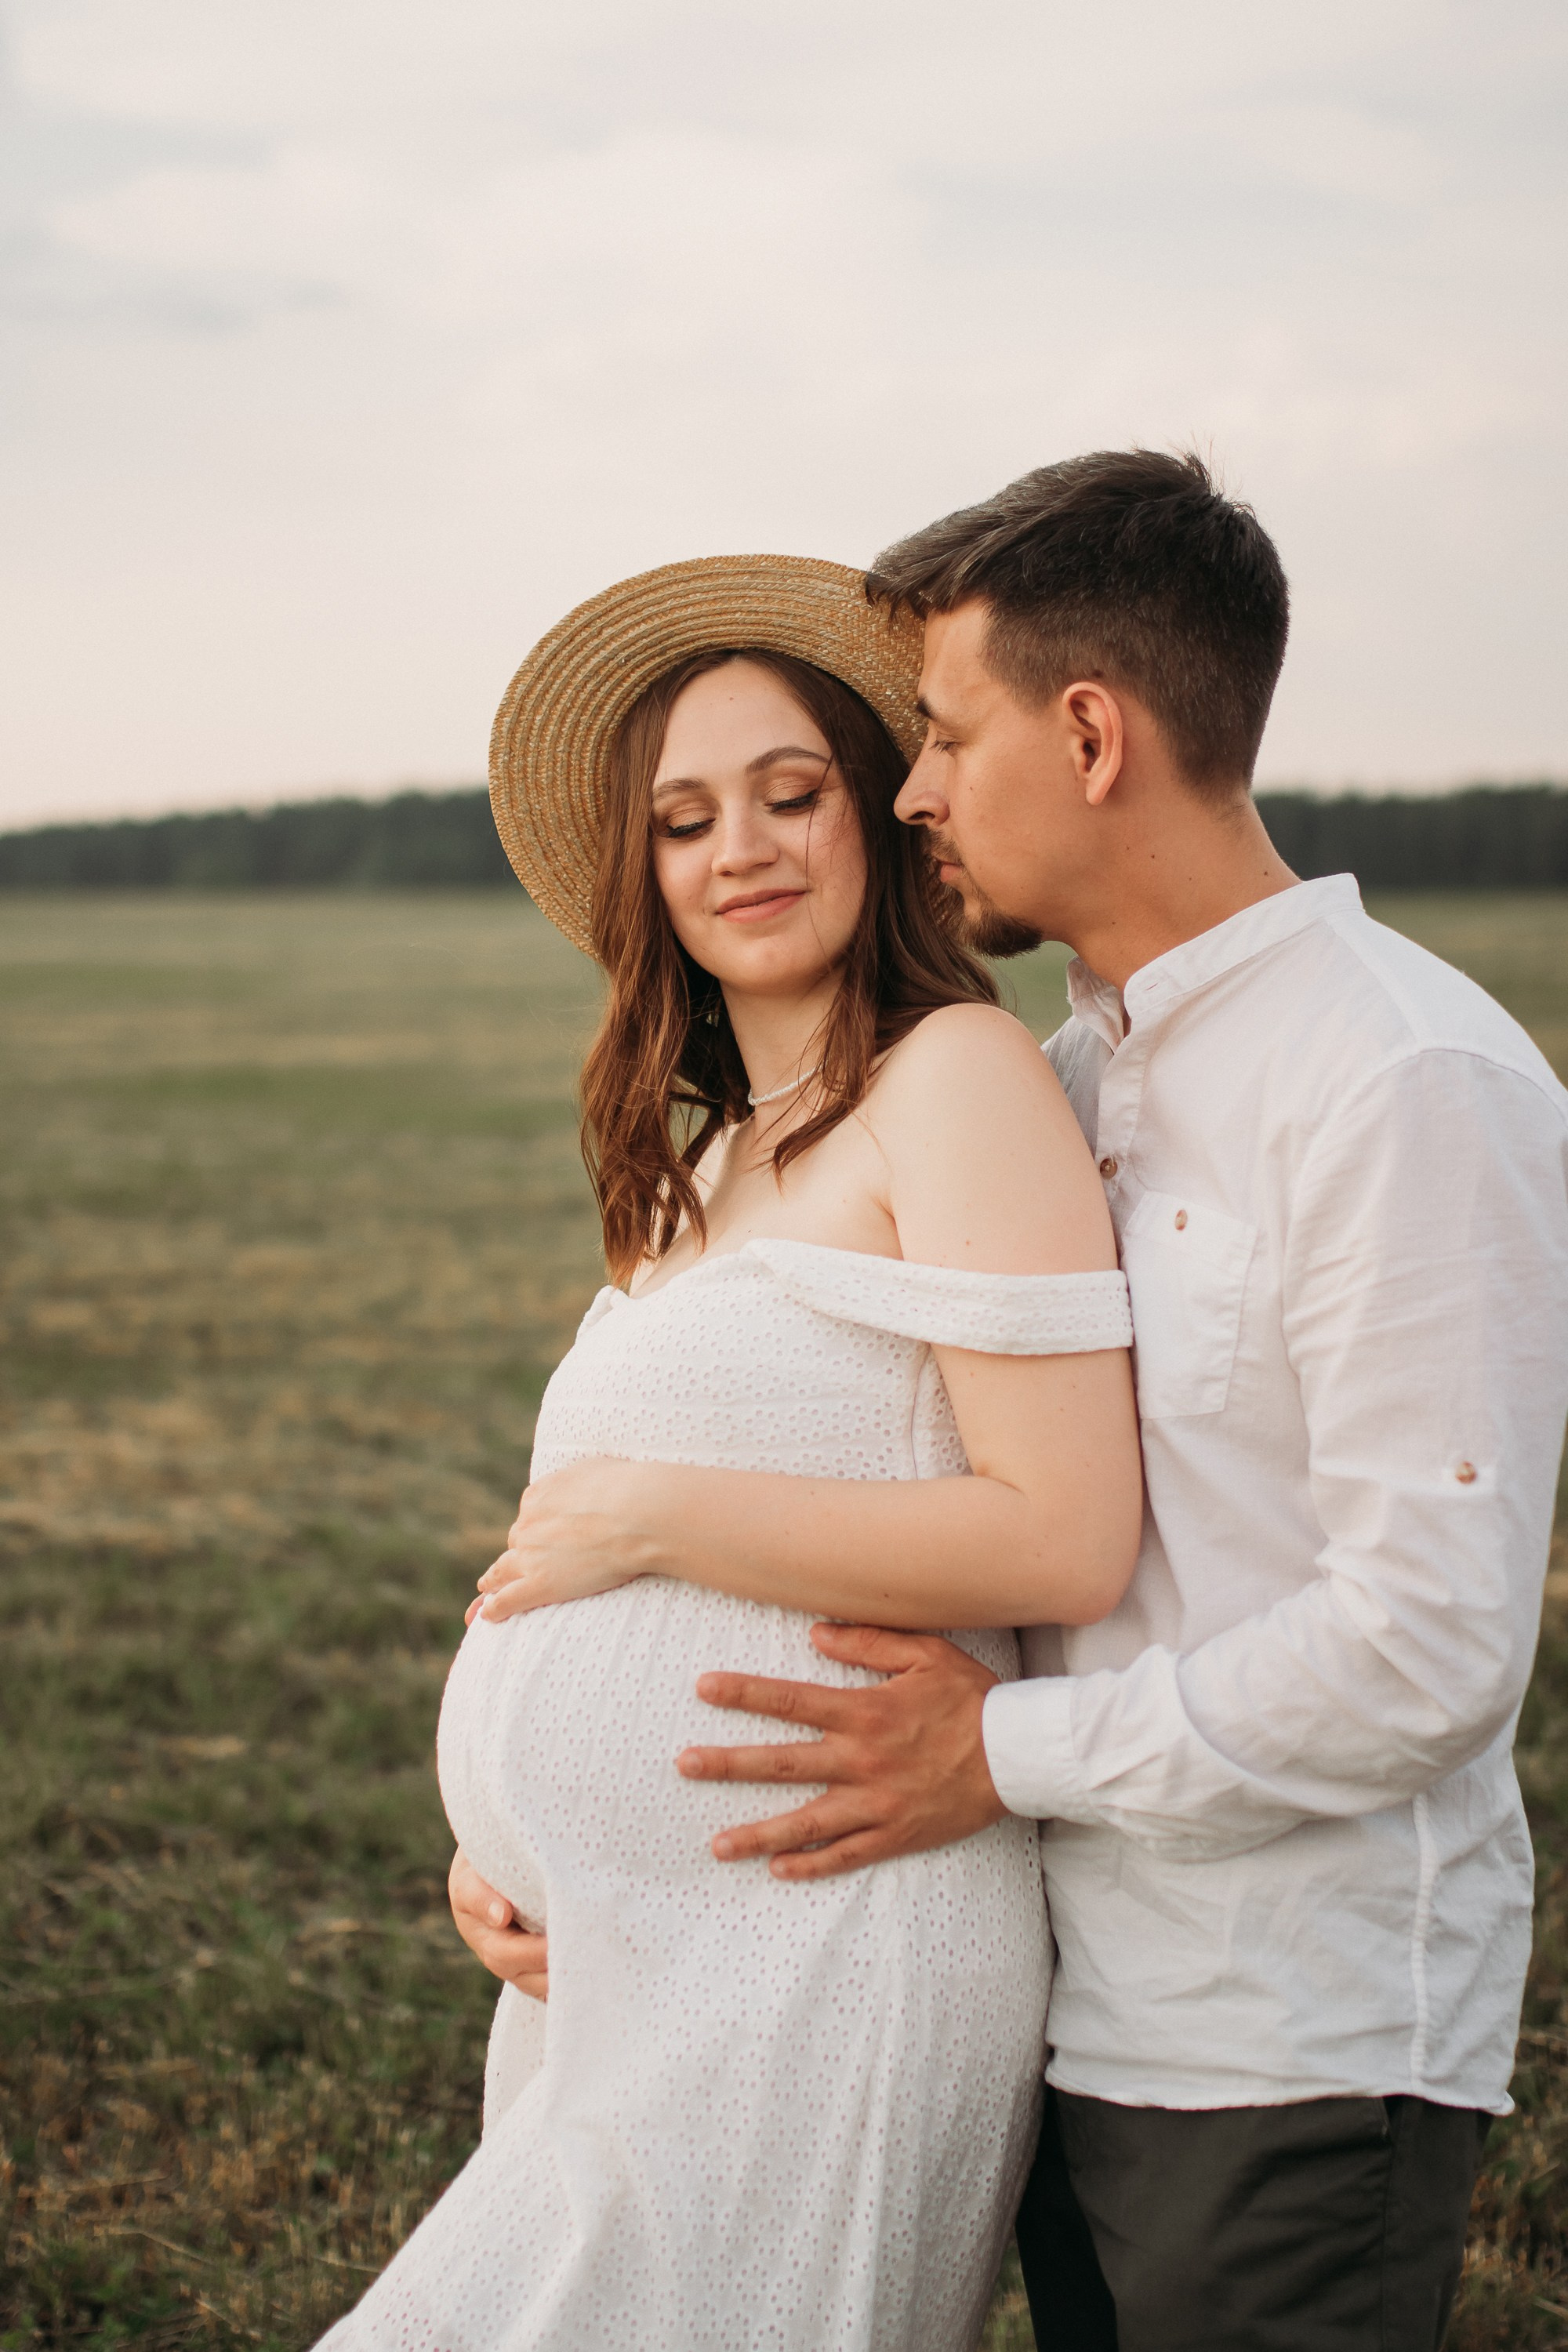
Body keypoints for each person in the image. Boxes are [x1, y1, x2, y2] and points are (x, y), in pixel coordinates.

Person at [463, 455, 1568, 2351]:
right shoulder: (1070, 1079)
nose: (911, 792)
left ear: (1088, 734)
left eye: (943, 738)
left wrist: (999, 1754)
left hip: (1274, 2030)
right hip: (1059, 1987)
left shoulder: (1398, 1081)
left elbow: (1426, 1652)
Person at [319, 556, 1143, 2351]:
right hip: (630, 1954)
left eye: (792, 794)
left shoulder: (953, 1074)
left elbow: (1065, 1532)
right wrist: (514, 1848)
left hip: (826, 1939)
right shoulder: (702, 1163)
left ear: (877, 811)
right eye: (684, 821)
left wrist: (651, 1518)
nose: (742, 852)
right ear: (644, 875)